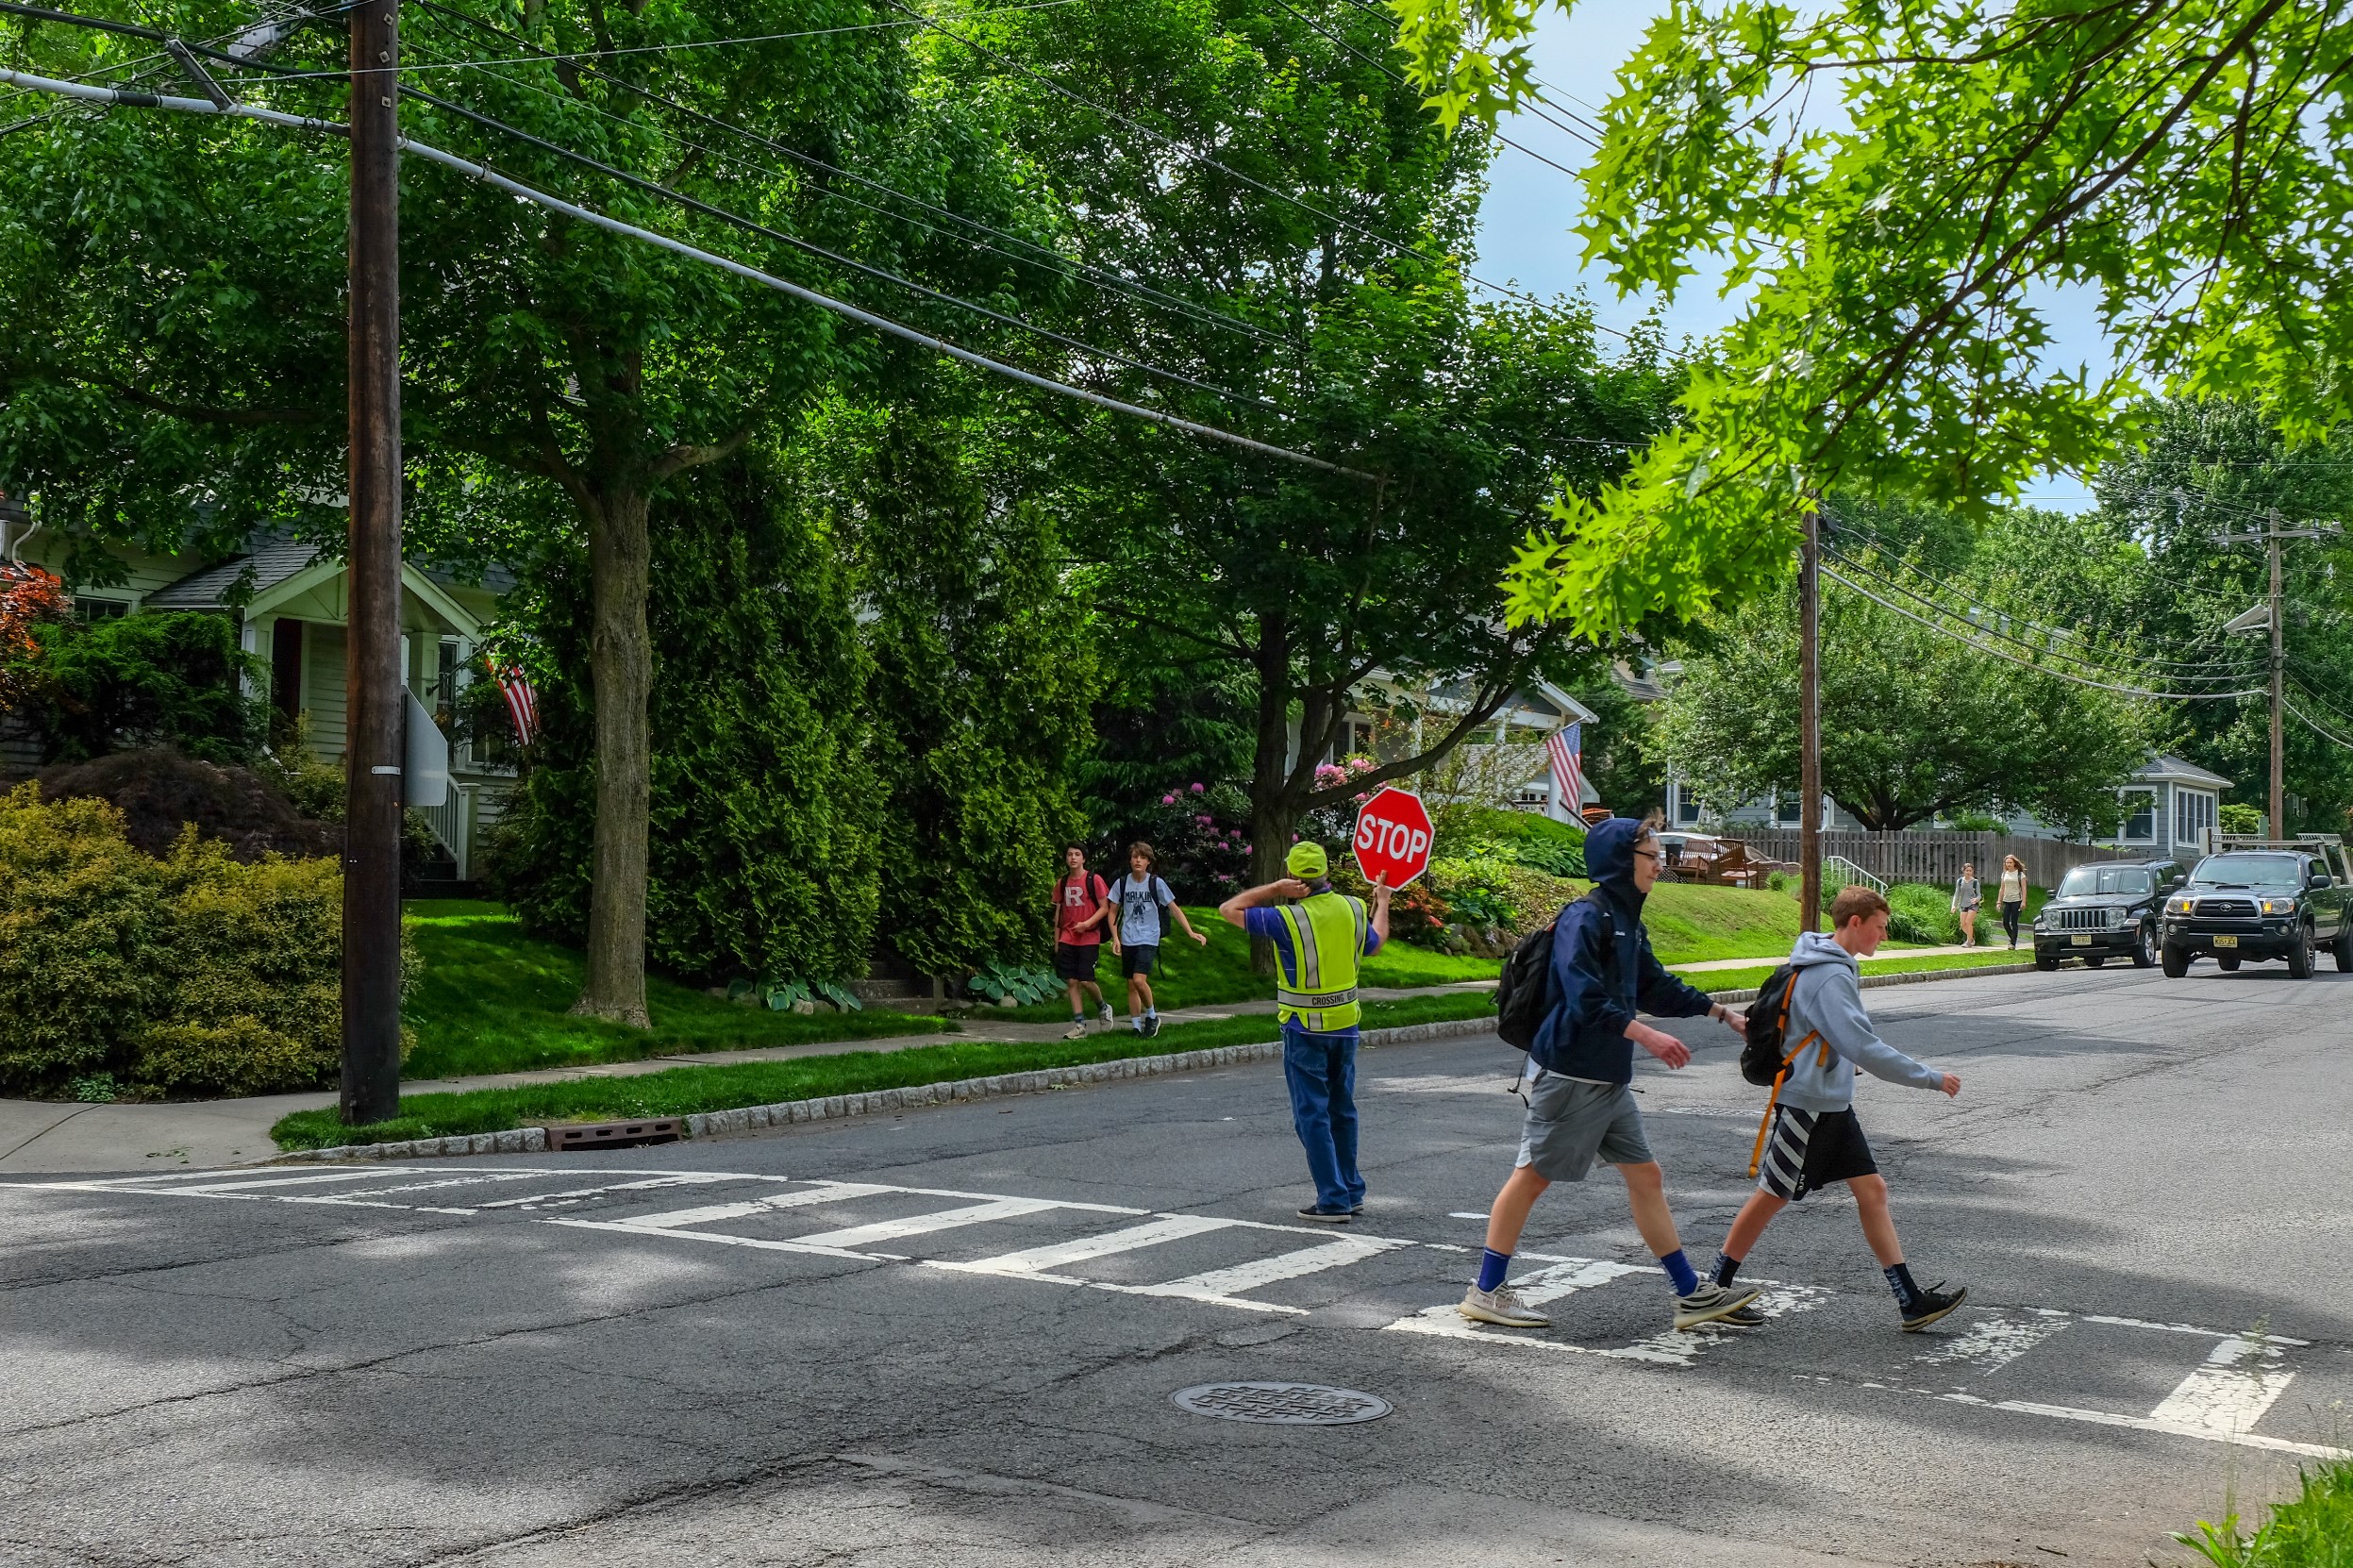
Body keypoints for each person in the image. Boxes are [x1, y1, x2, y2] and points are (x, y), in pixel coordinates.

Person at [1458, 816, 1763, 1333]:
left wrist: (1720, 1013)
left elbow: (1654, 985)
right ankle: (1486, 1291)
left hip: (1606, 1076)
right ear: (1623, 861)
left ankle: (1689, 1293)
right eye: (1651, 855)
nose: (1659, 864)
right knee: (1532, 1177)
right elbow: (1582, 996)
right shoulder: (1586, 916)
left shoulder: (1627, 920)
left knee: (1646, 1175)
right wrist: (1644, 1035)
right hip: (1572, 1072)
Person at [1708, 884, 1967, 1332]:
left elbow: (1835, 1040)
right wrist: (1929, 1077)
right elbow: (1862, 1045)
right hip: (1808, 1105)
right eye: (1880, 929)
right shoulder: (1829, 976)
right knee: (1772, 1195)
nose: (1883, 937)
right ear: (1855, 923)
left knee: (1872, 1191)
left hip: (1829, 1101)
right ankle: (1712, 1288)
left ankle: (1910, 1301)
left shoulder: (1826, 963)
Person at [1219, 842, 1393, 1222]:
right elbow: (1376, 944)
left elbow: (1228, 910)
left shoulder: (1287, 918)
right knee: (1342, 1109)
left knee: (1311, 1114)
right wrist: (1383, 900)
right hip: (1346, 1027)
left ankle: (1332, 1200)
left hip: (1303, 1030)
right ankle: (1351, 1189)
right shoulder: (1353, 907)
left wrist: (1273, 890)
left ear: (1296, 878)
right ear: (1326, 872)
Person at [1113, 841, 1208, 1037]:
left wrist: (1190, 931)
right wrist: (1115, 937)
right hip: (1128, 937)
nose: (1138, 860)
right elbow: (1112, 911)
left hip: (1148, 937)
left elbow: (1174, 908)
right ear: (1130, 860)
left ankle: (1152, 1015)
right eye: (1135, 856)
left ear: (1149, 861)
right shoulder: (1122, 883)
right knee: (1131, 984)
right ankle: (1136, 1027)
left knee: (1140, 981)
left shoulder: (1156, 883)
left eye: (1143, 857)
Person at [1052, 845, 1116, 1040]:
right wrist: (1057, 939)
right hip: (1067, 937)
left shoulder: (1093, 880)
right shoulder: (1062, 883)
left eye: (1077, 855)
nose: (1073, 858)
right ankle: (1079, 1025)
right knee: (1071, 980)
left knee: (1087, 980)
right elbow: (1058, 913)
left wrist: (1087, 923)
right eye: (1069, 854)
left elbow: (1105, 907)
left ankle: (1103, 1008)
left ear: (1084, 859)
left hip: (1089, 936)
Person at [1996, 855, 2028, 949]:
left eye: (2010, 862)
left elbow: (2024, 888)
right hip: (2007, 900)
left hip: (2016, 900)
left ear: (2014, 863)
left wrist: (2023, 901)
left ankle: (2013, 944)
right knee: (2005, 922)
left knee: (2014, 922)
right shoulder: (2004, 874)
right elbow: (2002, 888)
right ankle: (2012, 938)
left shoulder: (2020, 874)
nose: (2009, 864)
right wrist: (1999, 901)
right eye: (2007, 863)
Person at [1950, 862, 1981, 946]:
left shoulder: (1975, 882)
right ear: (1963, 871)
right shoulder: (1960, 881)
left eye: (1970, 871)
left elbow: (1979, 895)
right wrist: (1954, 906)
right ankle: (1971, 938)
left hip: (1972, 904)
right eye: (1967, 870)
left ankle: (1968, 942)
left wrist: (1976, 899)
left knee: (1968, 921)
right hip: (1963, 904)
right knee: (1963, 924)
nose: (1968, 872)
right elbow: (1957, 894)